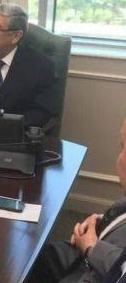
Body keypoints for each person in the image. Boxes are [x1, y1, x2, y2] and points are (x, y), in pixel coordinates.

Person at [29, 118, 126, 283]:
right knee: (33, 257)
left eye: (123, 146)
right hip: (88, 254)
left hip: (92, 272)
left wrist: (92, 249)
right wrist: (104, 221)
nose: (119, 159)